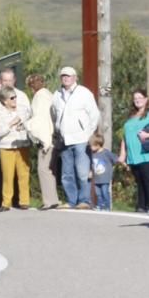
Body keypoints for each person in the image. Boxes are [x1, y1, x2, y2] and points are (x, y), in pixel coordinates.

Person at [51, 66, 100, 210]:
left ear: (75, 77)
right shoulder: (57, 94)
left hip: (81, 139)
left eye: (69, 76)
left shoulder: (84, 93)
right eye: (63, 76)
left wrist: (88, 133)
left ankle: (84, 200)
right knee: (66, 173)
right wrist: (57, 130)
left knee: (82, 172)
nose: (65, 78)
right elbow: (54, 114)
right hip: (64, 139)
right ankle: (71, 200)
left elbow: (94, 114)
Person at [0, 69, 30, 207]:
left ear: (14, 80)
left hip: (20, 139)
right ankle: (2, 200)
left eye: (10, 80)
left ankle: (21, 200)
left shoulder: (21, 95)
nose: (7, 83)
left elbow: (28, 113)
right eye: (5, 80)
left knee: (22, 172)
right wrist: (4, 114)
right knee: (2, 172)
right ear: (0, 81)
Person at [118, 89, 149, 214]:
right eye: (135, 98)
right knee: (139, 181)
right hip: (134, 155)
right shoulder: (131, 116)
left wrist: (147, 135)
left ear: (146, 99)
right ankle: (141, 206)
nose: (137, 100)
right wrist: (123, 154)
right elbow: (126, 136)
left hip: (148, 153)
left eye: (140, 97)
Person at [0, 85, 32, 211]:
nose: (15, 100)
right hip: (6, 147)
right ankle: (6, 202)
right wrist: (11, 123)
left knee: (23, 174)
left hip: (22, 144)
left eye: (15, 97)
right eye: (12, 98)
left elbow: (30, 123)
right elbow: (0, 132)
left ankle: (24, 201)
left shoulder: (24, 109)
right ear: (5, 101)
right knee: (7, 176)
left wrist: (23, 125)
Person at [26, 73, 60, 210]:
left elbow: (40, 120)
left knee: (43, 169)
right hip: (53, 137)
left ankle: (49, 200)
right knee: (50, 170)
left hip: (47, 138)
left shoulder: (39, 97)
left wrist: (27, 126)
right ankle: (53, 199)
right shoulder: (49, 95)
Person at [89, 132, 117, 211]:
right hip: (97, 178)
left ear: (98, 145)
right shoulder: (93, 154)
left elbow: (115, 159)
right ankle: (99, 205)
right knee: (98, 193)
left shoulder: (106, 152)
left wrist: (120, 163)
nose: (91, 147)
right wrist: (91, 171)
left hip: (105, 178)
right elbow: (92, 164)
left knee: (104, 192)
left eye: (92, 146)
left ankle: (107, 206)